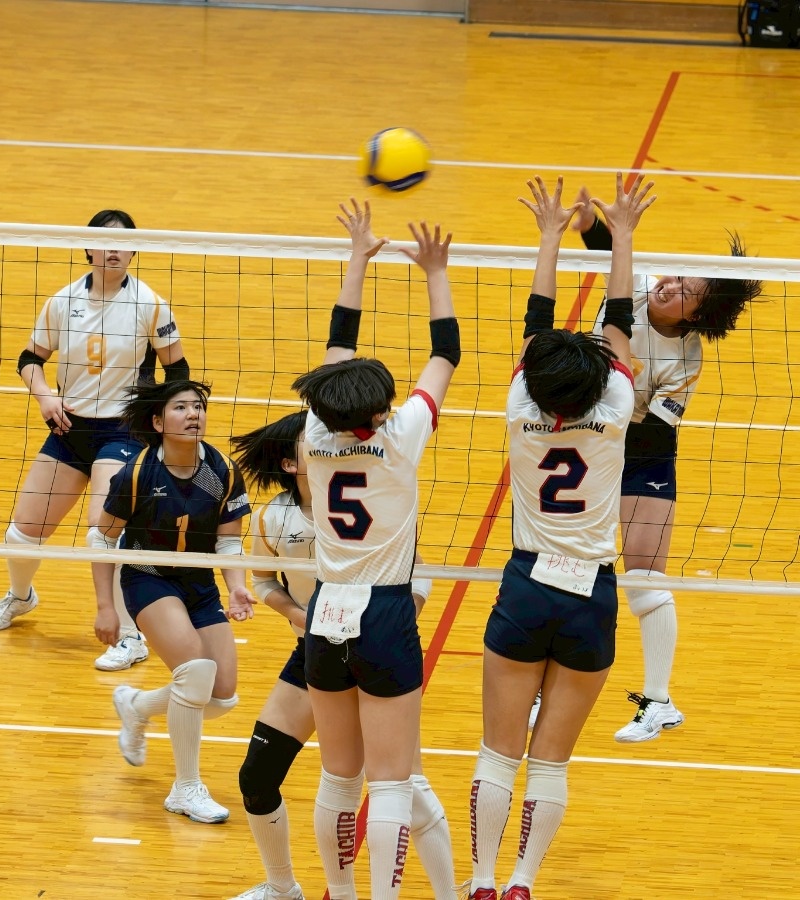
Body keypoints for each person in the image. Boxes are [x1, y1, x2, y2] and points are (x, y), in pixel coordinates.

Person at [464, 173, 654, 900]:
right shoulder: (617, 404)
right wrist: (623, 235)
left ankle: (482, 882)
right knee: (550, 762)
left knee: (498, 753)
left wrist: (547, 236)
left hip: (525, 586)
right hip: (590, 595)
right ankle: (521, 883)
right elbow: (619, 320)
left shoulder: (521, 404)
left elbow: (536, 325)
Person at [293, 199, 460, 900]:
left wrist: (356, 261)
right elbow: (445, 354)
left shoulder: (312, 432)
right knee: (390, 781)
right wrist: (435, 273)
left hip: (326, 609)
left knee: (337, 777)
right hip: (385, 613)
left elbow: (337, 351)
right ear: (381, 408)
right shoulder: (402, 434)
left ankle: (342, 893)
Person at [227, 411, 457, 900]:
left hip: (377, 644)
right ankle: (282, 888)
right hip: (315, 649)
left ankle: (449, 893)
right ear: (291, 463)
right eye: (313, 439)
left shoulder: (377, 498)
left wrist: (396, 620)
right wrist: (299, 614)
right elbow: (264, 581)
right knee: (257, 774)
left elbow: (419, 573)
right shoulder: (273, 518)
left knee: (406, 786)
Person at [573, 185, 762, 743]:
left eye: (685, 290)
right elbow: (608, 250)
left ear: (698, 315)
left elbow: (655, 433)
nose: (669, 284)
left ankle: (659, 702)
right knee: (567, 568)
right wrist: (588, 222)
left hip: (642, 456)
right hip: (586, 443)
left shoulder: (687, 359)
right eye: (676, 274)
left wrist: (606, 409)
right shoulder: (635, 284)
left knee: (645, 581)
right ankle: (544, 687)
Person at [0, 209, 190, 675]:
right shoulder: (62, 301)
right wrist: (44, 395)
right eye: (103, 241)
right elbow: (29, 358)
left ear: (134, 250)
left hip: (123, 432)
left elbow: (178, 372)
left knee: (103, 532)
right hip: (69, 429)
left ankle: (131, 636)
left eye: (123, 242)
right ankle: (20, 597)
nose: (113, 250)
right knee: (23, 532)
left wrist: (162, 424)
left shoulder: (151, 305)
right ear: (87, 247)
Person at [99, 379, 255, 824]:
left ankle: (137, 706)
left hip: (197, 581)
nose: (193, 414)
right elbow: (102, 539)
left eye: (198, 407)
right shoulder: (137, 474)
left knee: (222, 695)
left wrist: (236, 585)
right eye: (181, 407)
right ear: (157, 422)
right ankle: (186, 788)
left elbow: (229, 542)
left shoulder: (220, 471)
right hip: (148, 576)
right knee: (196, 671)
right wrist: (106, 607)